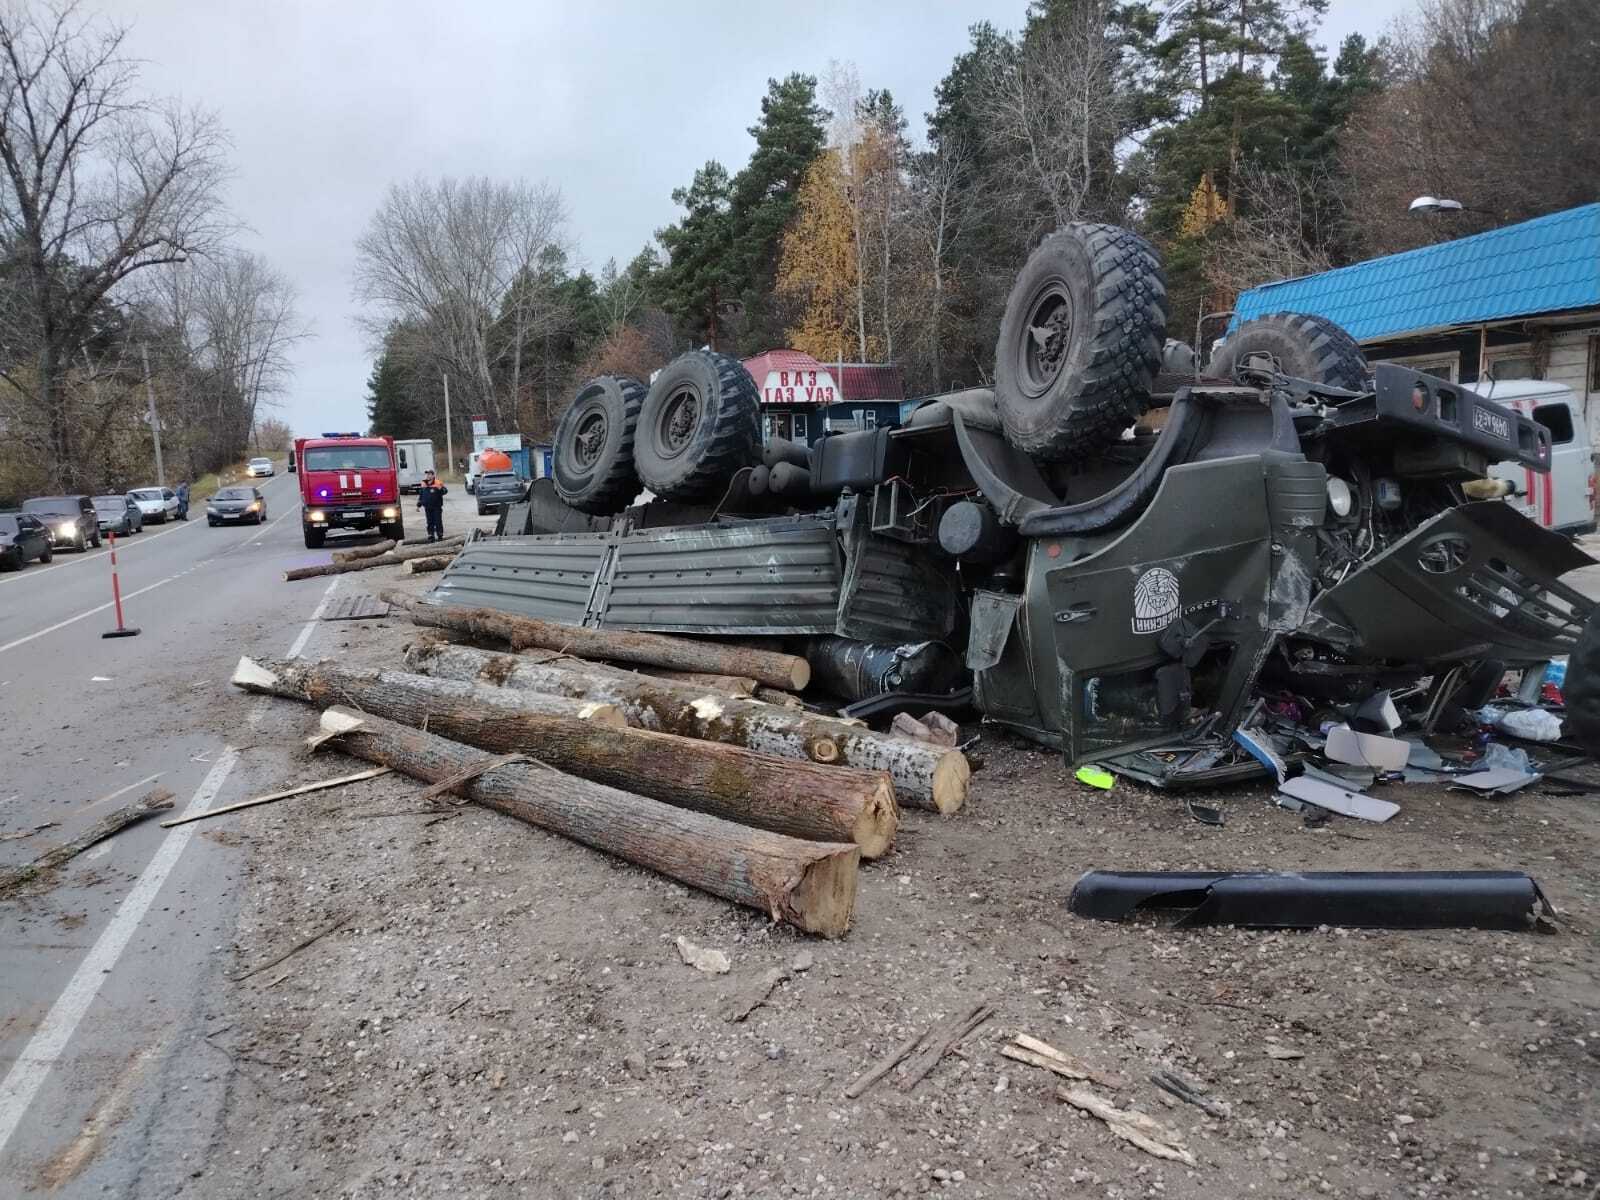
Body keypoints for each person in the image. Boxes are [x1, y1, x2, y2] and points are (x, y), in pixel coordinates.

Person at [416, 469, 447, 541]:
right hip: (427, 507)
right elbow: (421, 495)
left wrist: (441, 489)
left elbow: (445, 491)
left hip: (437, 506)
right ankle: (431, 535)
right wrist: (418, 505)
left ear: (433, 475)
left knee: (437, 521)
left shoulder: (438, 483)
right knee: (429, 521)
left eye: (429, 474)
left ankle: (440, 535)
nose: (428, 476)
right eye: (427, 474)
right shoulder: (423, 483)